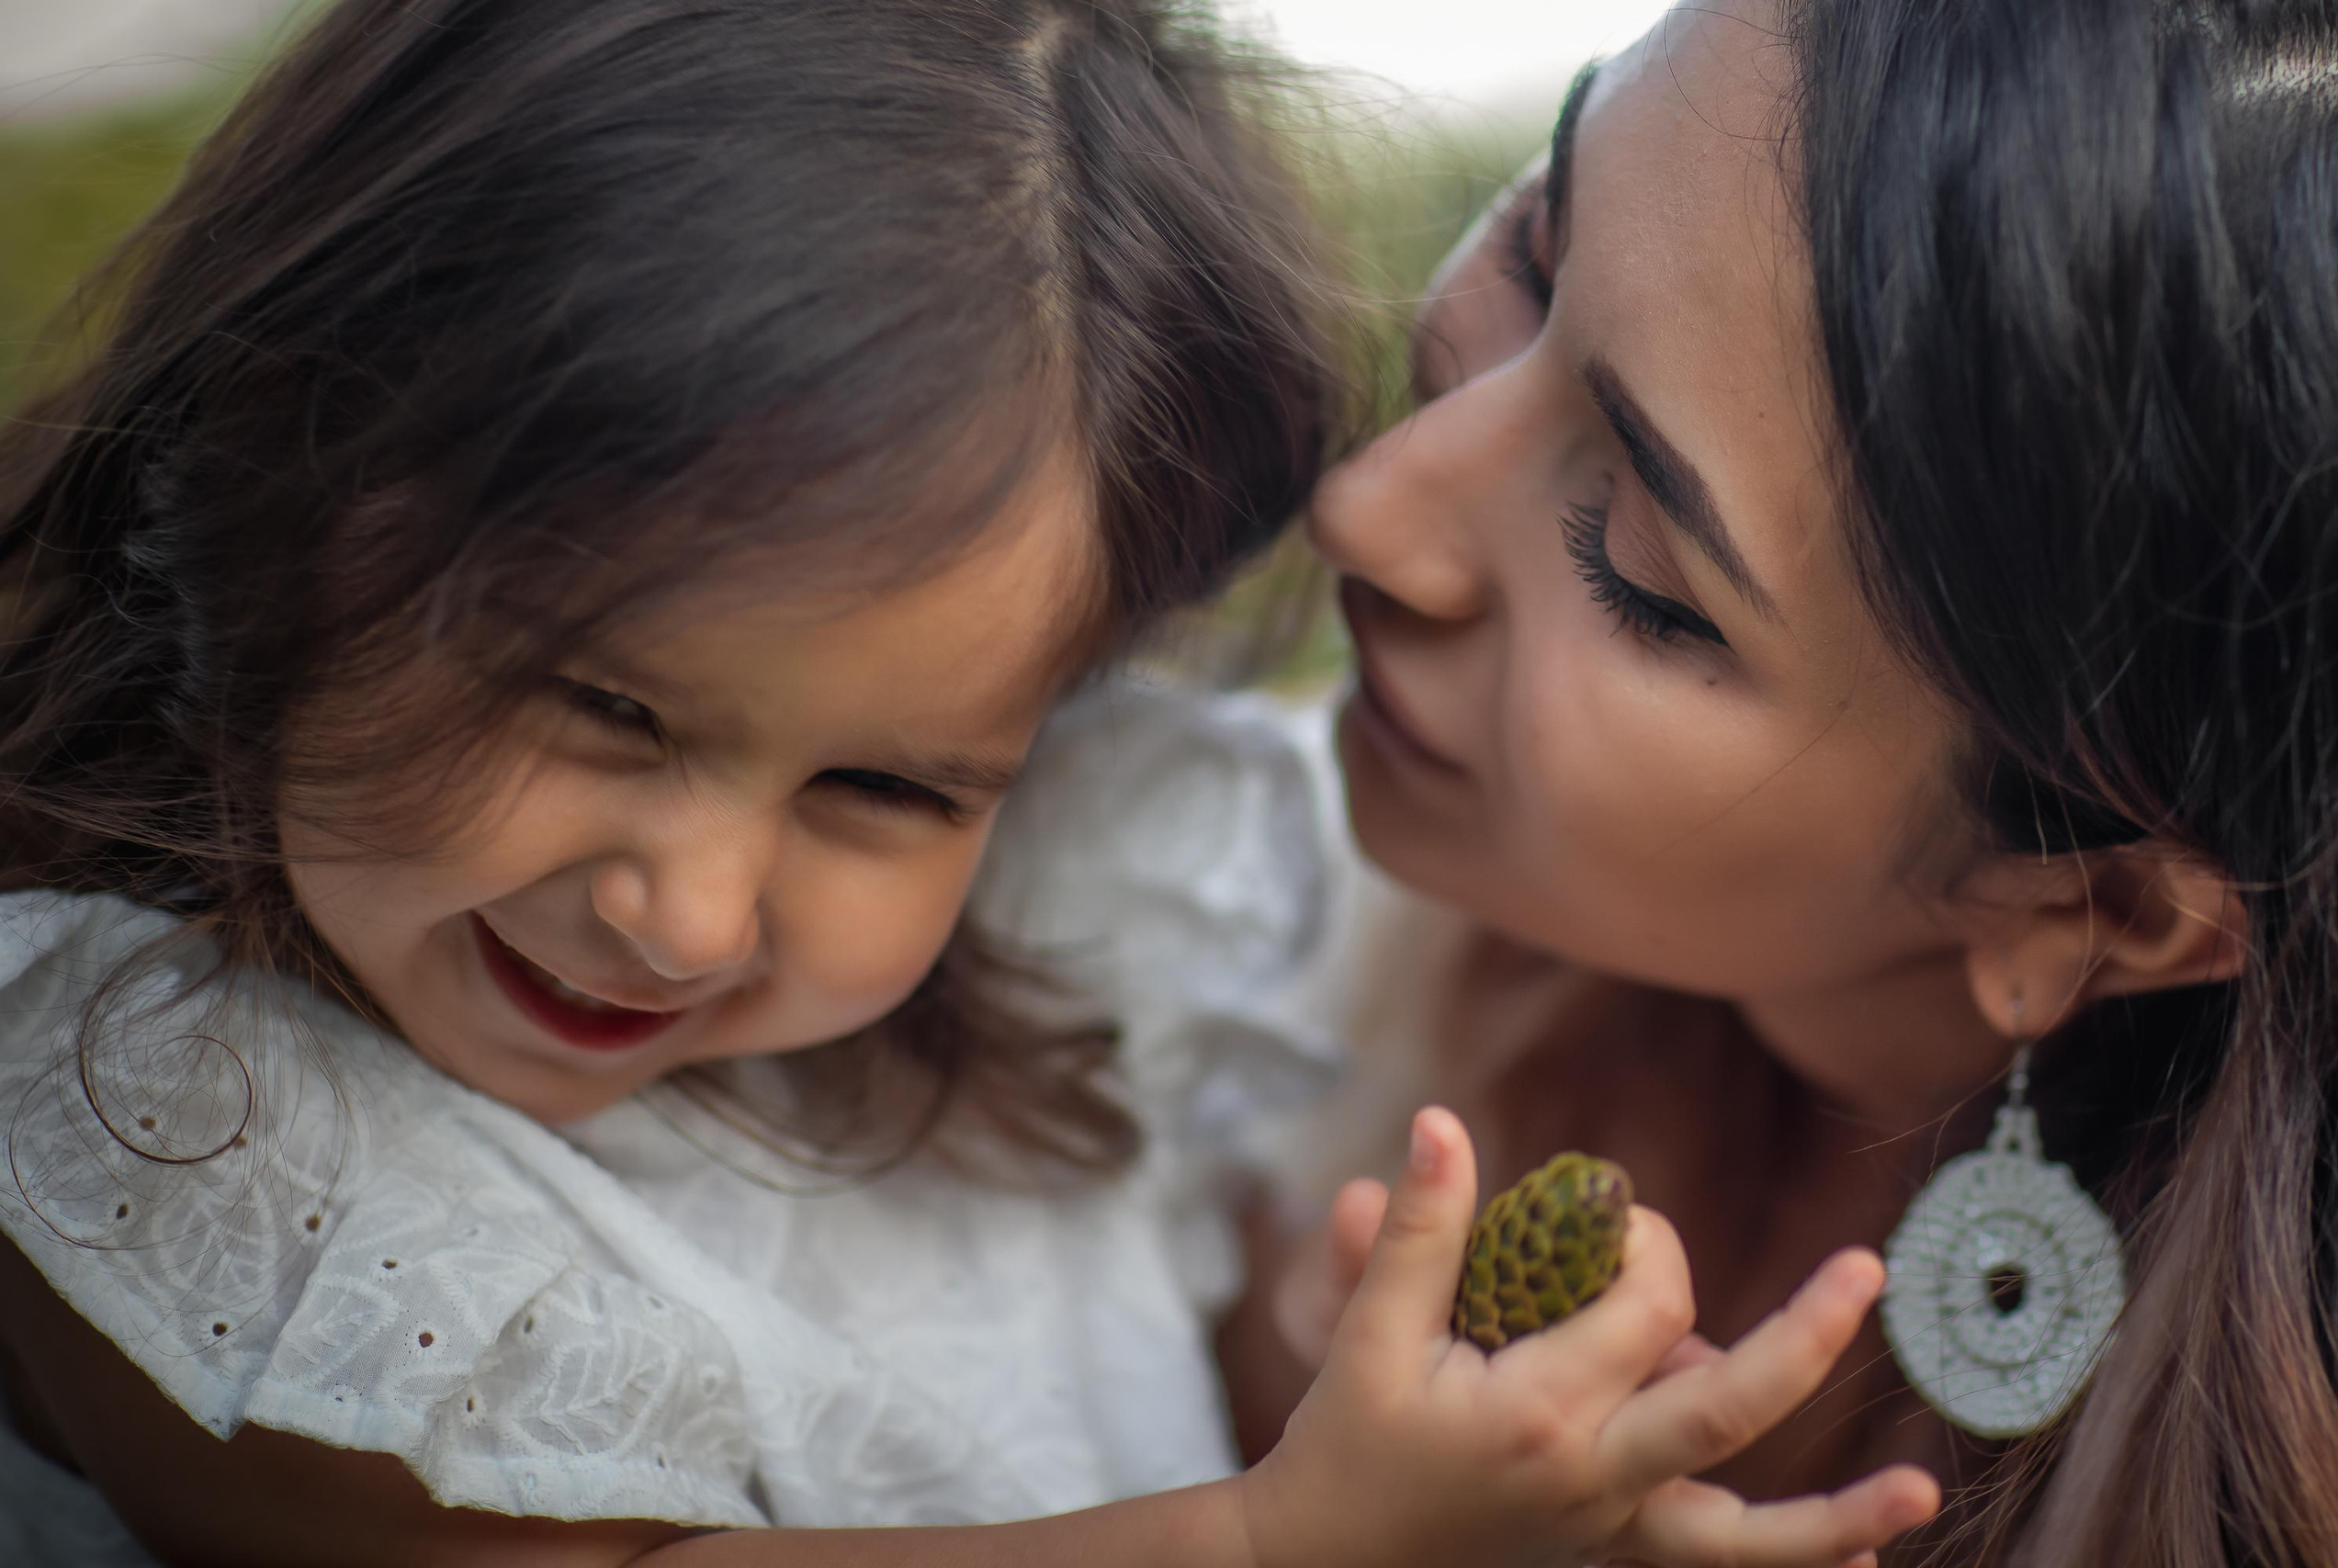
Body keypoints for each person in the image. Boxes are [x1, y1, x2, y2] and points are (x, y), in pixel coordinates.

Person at [0, 1, 1937, 1564]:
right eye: (603, 705)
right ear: (291, 466)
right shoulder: (165, 1113)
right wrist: (1283, 1539)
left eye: (883, 789)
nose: (686, 908)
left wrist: (1397, 1424)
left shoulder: (1060, 918)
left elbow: (1085, 1372)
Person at [1225, 0, 2338, 1562]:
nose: (1364, 507)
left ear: (2090, 907)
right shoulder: (1204, 918)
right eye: (1536, 247)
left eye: (1635, 573)